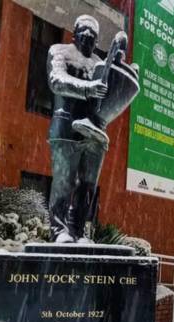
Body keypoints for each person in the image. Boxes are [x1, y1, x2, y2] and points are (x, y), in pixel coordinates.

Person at [46, 15, 108, 243]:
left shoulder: (99, 64)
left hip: (93, 133)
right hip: (66, 128)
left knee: (88, 185)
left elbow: (110, 98)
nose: (89, 39)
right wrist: (88, 89)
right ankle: (59, 231)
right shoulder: (59, 51)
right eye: (84, 33)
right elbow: (56, 81)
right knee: (64, 182)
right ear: (75, 34)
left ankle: (78, 230)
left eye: (93, 36)